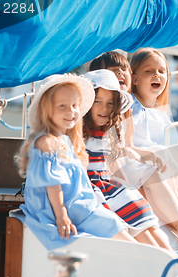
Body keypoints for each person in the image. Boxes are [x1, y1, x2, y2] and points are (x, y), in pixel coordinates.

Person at [83, 70, 178, 254]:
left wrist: (146, 156)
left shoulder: (107, 131)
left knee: (152, 184)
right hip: (100, 185)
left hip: (111, 179)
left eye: (109, 103)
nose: (104, 108)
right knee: (144, 223)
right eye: (98, 101)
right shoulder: (80, 135)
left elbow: (121, 151)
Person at [16, 73, 138, 250]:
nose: (71, 111)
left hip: (80, 206)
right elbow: (53, 184)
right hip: (66, 209)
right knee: (111, 224)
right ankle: (149, 259)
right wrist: (61, 215)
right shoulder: (46, 142)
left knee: (113, 221)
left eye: (74, 106)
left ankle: (148, 257)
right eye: (62, 106)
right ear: (46, 109)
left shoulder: (64, 140)